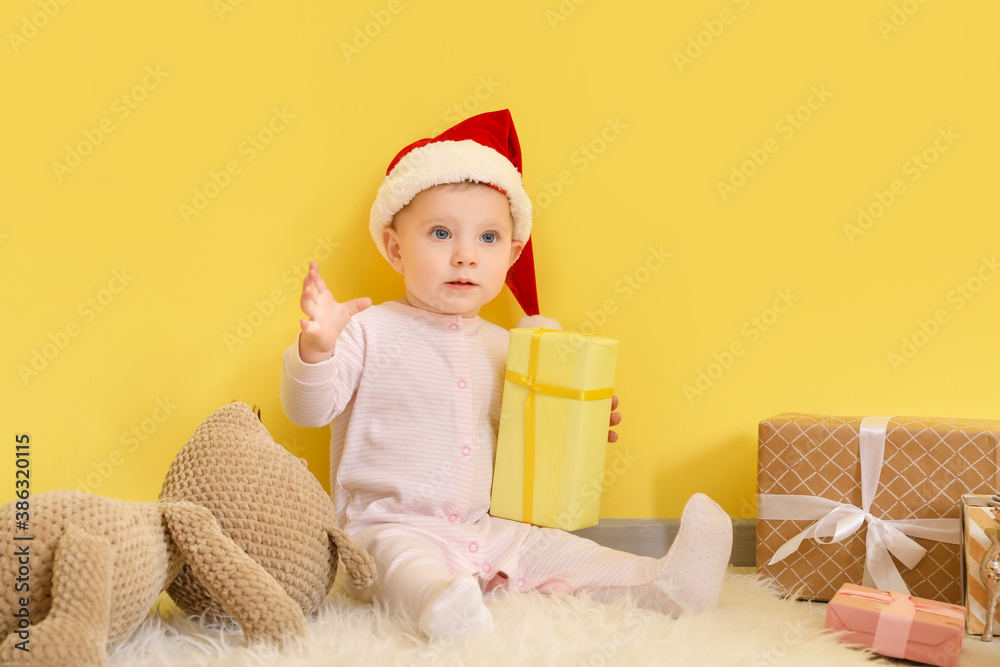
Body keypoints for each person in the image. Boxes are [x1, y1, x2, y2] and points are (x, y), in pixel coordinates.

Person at [280, 109, 732, 641]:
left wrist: (579, 424)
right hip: (390, 526)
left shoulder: (509, 349)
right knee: (401, 563)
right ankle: (440, 603)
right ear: (396, 248)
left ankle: (660, 584)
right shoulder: (367, 330)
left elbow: (532, 442)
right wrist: (317, 347)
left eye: (489, 239)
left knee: (558, 550)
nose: (466, 256)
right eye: (442, 233)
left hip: (484, 528)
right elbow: (308, 411)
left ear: (513, 254)